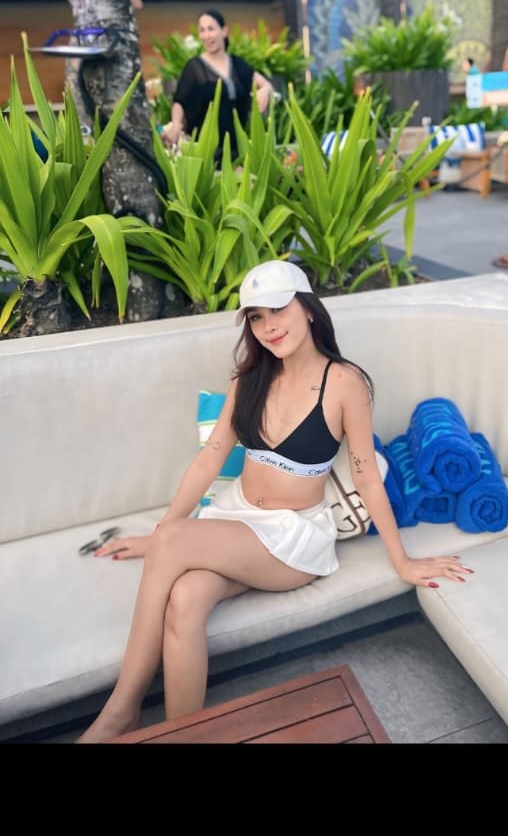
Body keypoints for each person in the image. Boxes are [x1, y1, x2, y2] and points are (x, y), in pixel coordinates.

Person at [77, 259, 472, 742]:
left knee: (172, 541)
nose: (268, 327)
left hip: (292, 538)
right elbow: (208, 461)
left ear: (308, 308)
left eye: (277, 310)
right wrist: (160, 538)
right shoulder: (250, 379)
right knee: (185, 599)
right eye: (256, 317)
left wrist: (402, 560)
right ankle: (185, 735)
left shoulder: (344, 383)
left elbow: (367, 477)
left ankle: (122, 710)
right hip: (235, 519)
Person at [158, 9, 273, 157]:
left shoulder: (238, 64)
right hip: (206, 150)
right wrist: (176, 124)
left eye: (211, 29)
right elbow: (180, 101)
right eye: (202, 30)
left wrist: (265, 90)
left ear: (224, 31)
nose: (206, 36)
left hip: (237, 149)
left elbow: (265, 84)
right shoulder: (194, 67)